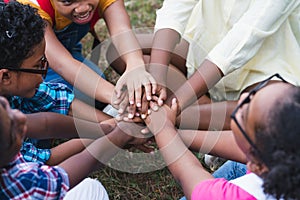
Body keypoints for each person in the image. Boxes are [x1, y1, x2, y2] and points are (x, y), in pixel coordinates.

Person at [111, 0, 300, 129]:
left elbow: (245, 36)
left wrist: (174, 105)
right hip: (202, 50)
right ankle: (195, 109)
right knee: (120, 51)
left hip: (265, 69)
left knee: (273, 112)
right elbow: (176, 8)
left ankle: (170, 115)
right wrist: (156, 75)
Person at [0, 0, 122, 164]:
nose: (42, 75)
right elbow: (42, 160)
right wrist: (106, 134)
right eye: (39, 65)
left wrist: (111, 124)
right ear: (5, 77)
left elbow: (58, 99)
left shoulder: (12, 78)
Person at [144, 74, 300, 199]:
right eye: (255, 92)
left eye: (245, 114)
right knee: (238, 166)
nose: (244, 95)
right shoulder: (282, 160)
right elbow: (240, 147)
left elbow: (189, 176)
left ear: (258, 166)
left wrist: (163, 129)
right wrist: (173, 134)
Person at [15, 0, 157, 111]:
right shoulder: (33, 8)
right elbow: (63, 63)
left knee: (95, 86)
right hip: (30, 63)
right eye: (67, 1)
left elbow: (121, 30)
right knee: (80, 97)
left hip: (65, 49)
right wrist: (117, 98)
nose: (81, 8)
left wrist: (135, 65)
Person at [0, 96, 150, 200]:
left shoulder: (4, 151)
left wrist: (108, 128)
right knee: (91, 190)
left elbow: (46, 124)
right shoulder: (20, 184)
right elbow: (85, 162)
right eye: (14, 129)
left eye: (7, 108)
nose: (20, 117)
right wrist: (121, 134)